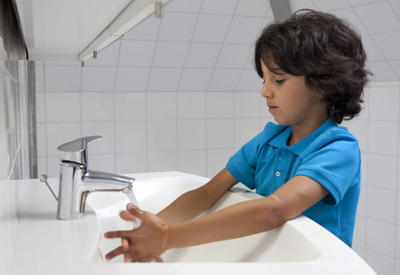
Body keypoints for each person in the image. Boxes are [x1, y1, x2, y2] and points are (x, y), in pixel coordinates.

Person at [104, 9, 370, 262]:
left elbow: (274, 210)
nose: (265, 91)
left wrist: (167, 238)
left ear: (324, 84)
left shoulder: (338, 149)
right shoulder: (269, 140)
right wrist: (151, 228)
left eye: (278, 80)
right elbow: (207, 193)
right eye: (263, 79)